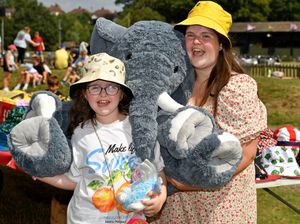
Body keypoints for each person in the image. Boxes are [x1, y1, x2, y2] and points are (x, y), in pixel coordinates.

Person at [150, 1, 267, 223]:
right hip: (175, 209)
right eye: (190, 34)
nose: (196, 42)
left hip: (219, 209)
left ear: (221, 44)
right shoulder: (173, 89)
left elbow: (246, 153)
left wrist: (192, 183)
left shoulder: (236, 87)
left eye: (206, 36)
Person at [37, 53, 167, 223]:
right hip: (86, 218)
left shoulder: (140, 129)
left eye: (112, 87)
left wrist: (161, 196)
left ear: (122, 94)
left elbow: (157, 169)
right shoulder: (80, 133)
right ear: (84, 93)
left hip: (131, 218)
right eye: (95, 87)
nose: (103, 94)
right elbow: (74, 179)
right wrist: (38, 172)